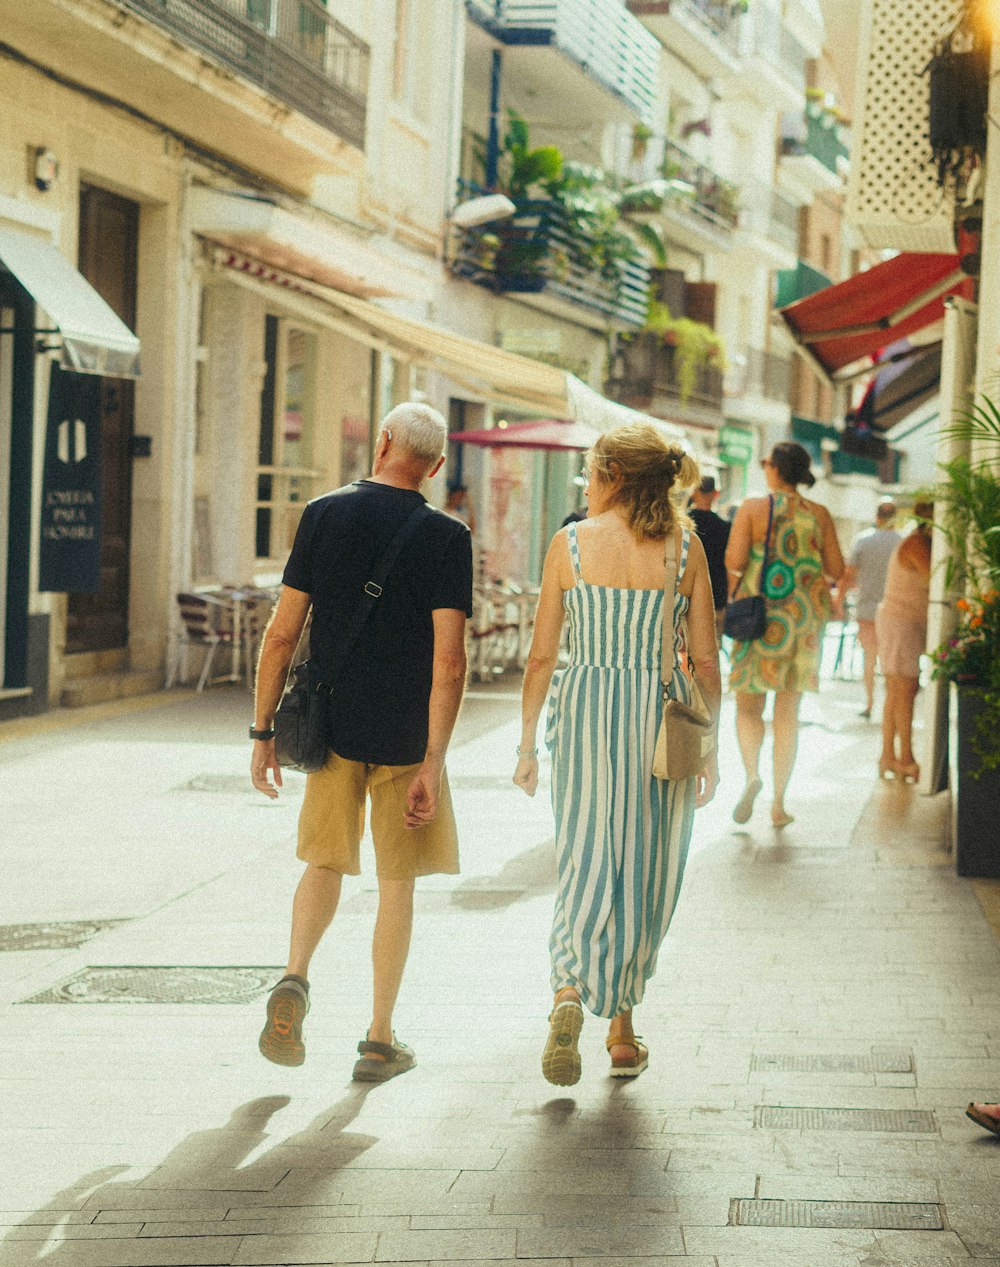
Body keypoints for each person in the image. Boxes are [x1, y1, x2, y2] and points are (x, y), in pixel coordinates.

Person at [250, 403, 473, 1080]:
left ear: (381, 444)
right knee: (396, 882)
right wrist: (434, 759)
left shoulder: (323, 513)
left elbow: (283, 633)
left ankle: (294, 976)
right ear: (434, 466)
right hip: (406, 735)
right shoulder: (446, 536)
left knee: (323, 861)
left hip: (333, 727)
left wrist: (262, 731)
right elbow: (450, 660)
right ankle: (379, 1035)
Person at [514, 423, 721, 1085]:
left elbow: (543, 654)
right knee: (646, 864)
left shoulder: (569, 543)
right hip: (661, 718)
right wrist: (710, 745)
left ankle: (568, 989)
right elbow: (709, 658)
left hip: (585, 713)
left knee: (584, 855)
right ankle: (623, 1032)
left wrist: (526, 741)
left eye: (590, 472)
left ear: (612, 475)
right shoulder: (685, 549)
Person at [725, 441, 844, 828]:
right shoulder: (820, 514)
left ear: (775, 469)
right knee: (787, 713)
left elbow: (735, 561)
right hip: (803, 620)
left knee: (748, 708)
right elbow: (837, 569)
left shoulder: (753, 509)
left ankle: (751, 775)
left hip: (758, 618)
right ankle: (778, 803)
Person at [874, 501, 932, 782]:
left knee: (897, 691)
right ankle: (904, 758)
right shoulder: (917, 544)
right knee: (904, 689)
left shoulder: (918, 542)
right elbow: (936, 580)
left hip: (900, 622)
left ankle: (889, 756)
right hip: (901, 622)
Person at [841, 500, 901, 719]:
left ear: (877, 516)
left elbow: (849, 575)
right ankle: (890, 706)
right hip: (894, 610)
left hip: (866, 609)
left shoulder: (862, 541)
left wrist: (838, 602)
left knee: (869, 658)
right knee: (889, 662)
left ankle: (869, 703)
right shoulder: (902, 543)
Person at [689, 474, 731, 642]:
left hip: (686, 598)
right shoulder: (726, 528)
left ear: (694, 493)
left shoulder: (682, 525)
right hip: (716, 598)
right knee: (711, 651)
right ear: (716, 494)